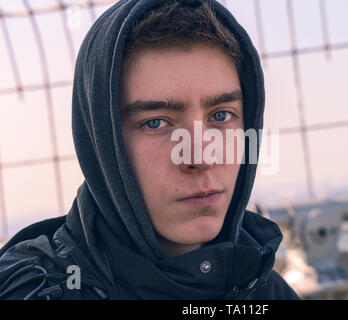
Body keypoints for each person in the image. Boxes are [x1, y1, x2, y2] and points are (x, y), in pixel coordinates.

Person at [0, 0, 299, 300]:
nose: (201, 157)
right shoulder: (32, 292)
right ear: (102, 142)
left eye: (221, 115)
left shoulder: (268, 291)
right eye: (156, 123)